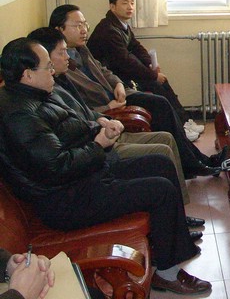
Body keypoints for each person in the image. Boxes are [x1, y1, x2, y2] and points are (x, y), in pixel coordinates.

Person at [0, 38, 212, 295]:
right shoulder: (20, 115)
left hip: (85, 177)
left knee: (161, 163)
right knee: (160, 190)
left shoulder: (38, 94)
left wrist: (101, 126)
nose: (52, 71)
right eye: (47, 66)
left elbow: (75, 124)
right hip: (66, 200)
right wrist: (98, 145)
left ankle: (168, 243)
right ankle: (167, 273)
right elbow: (58, 166)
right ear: (28, 74)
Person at [48, 4, 227, 178]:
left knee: (161, 101)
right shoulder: (58, 68)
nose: (83, 30)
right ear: (59, 30)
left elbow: (104, 70)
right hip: (107, 108)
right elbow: (78, 109)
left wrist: (118, 84)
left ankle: (196, 161)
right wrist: (107, 107)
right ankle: (194, 164)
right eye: (77, 26)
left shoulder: (80, 48)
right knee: (159, 104)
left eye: (84, 24)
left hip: (118, 95)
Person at [27, 27, 194, 207]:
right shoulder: (48, 94)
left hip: (104, 128)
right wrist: (104, 117)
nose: (68, 56)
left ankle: (182, 206)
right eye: (62, 52)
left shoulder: (63, 77)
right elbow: (73, 134)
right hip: (99, 145)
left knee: (166, 137)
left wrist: (102, 118)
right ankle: (178, 206)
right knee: (162, 152)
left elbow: (88, 105)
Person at [86, 0, 202, 137]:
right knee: (156, 85)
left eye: (132, 3)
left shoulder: (120, 25)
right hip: (115, 82)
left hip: (122, 74)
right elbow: (126, 62)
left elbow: (136, 47)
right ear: (112, 6)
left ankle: (183, 122)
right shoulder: (108, 30)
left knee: (161, 81)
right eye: (124, 3)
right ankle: (180, 128)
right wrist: (153, 75)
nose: (130, 7)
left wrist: (150, 65)